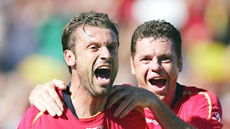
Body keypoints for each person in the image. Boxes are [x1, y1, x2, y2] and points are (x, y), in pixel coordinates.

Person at [29, 20, 223, 129]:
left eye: (164, 59)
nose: (156, 67)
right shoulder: (120, 101)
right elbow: (83, 97)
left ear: (180, 63)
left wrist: (153, 104)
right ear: (132, 65)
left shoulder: (200, 101)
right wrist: (43, 91)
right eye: (145, 59)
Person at [18, 11, 149, 129]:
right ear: (70, 57)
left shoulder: (132, 111)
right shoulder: (43, 117)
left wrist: (153, 102)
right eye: (93, 47)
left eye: (112, 47)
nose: (107, 54)